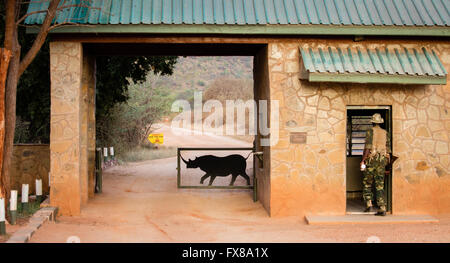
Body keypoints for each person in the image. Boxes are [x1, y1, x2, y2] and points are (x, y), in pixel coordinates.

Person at [360, 113, 391, 216]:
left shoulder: (370, 131)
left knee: (367, 182)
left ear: (373, 122)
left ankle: (369, 204)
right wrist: (386, 164)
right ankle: (382, 207)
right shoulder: (385, 133)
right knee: (379, 184)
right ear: (380, 122)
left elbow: (368, 147)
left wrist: (363, 160)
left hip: (371, 160)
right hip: (382, 160)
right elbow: (388, 150)